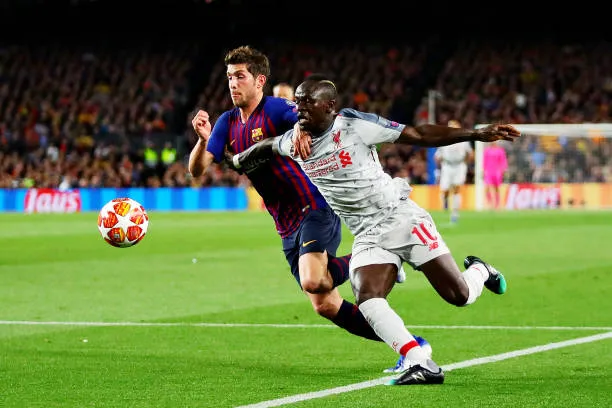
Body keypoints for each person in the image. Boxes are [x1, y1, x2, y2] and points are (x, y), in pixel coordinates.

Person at [229, 78, 520, 385]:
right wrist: (237, 160)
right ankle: (421, 361)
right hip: (367, 233)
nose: (299, 109)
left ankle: (480, 270)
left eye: (307, 102)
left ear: (329, 106)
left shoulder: (354, 125)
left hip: (401, 219)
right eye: (298, 102)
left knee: (459, 296)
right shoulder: (294, 140)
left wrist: (475, 133)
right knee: (367, 298)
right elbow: (267, 146)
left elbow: (418, 134)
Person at [187, 46, 424, 364]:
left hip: (314, 205)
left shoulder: (276, 109)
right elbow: (197, 170)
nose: (233, 83)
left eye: (240, 76)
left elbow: (311, 120)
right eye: (229, 77)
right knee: (325, 304)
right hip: (285, 223)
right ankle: (412, 346)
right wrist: (203, 140)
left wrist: (299, 127)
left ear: (259, 81)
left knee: (313, 279)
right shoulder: (227, 123)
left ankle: (385, 257)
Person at [434, 119, 474, 223]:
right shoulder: (444, 139)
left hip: (459, 165)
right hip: (447, 166)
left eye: (453, 126)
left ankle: (455, 213)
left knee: (457, 188)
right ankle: (445, 201)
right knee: (445, 190)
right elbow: (437, 156)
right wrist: (438, 168)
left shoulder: (463, 140)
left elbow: (470, 153)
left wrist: (466, 163)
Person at [483, 140, 508, 209]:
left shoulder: (500, 151)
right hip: (489, 171)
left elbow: (503, 161)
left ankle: (497, 204)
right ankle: (490, 203)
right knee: (488, 187)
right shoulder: (487, 151)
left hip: (497, 172)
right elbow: (484, 161)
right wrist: (484, 170)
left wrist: (503, 170)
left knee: (497, 188)